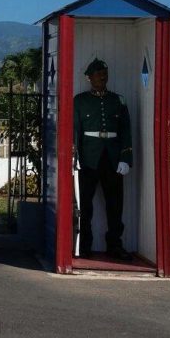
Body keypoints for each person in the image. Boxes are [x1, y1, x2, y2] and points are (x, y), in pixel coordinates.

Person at [74, 58, 133, 260]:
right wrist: (75, 157)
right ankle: (84, 245)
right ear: (89, 77)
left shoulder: (118, 100)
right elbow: (75, 131)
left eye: (104, 74)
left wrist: (126, 158)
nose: (102, 77)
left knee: (115, 205)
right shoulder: (80, 101)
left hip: (113, 157)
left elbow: (126, 131)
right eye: (98, 74)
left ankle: (115, 245)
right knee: (85, 205)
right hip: (89, 158)